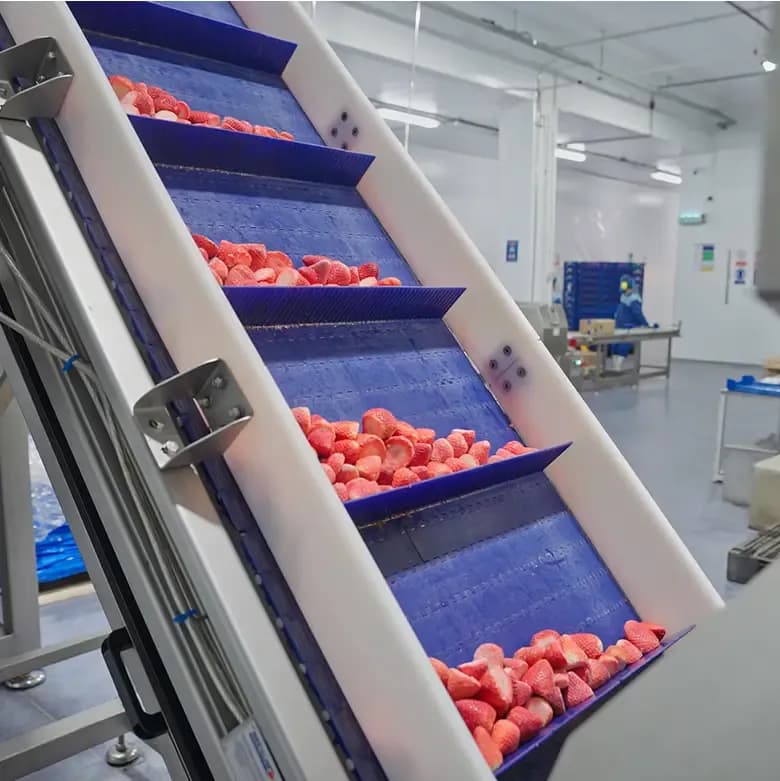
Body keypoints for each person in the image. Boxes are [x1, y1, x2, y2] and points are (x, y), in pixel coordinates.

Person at [609, 275, 654, 370]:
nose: (626, 292)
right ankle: (616, 367)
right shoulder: (633, 298)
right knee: (623, 345)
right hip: (627, 327)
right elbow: (638, 314)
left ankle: (616, 367)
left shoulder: (624, 297)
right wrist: (646, 324)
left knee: (617, 344)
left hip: (620, 325)